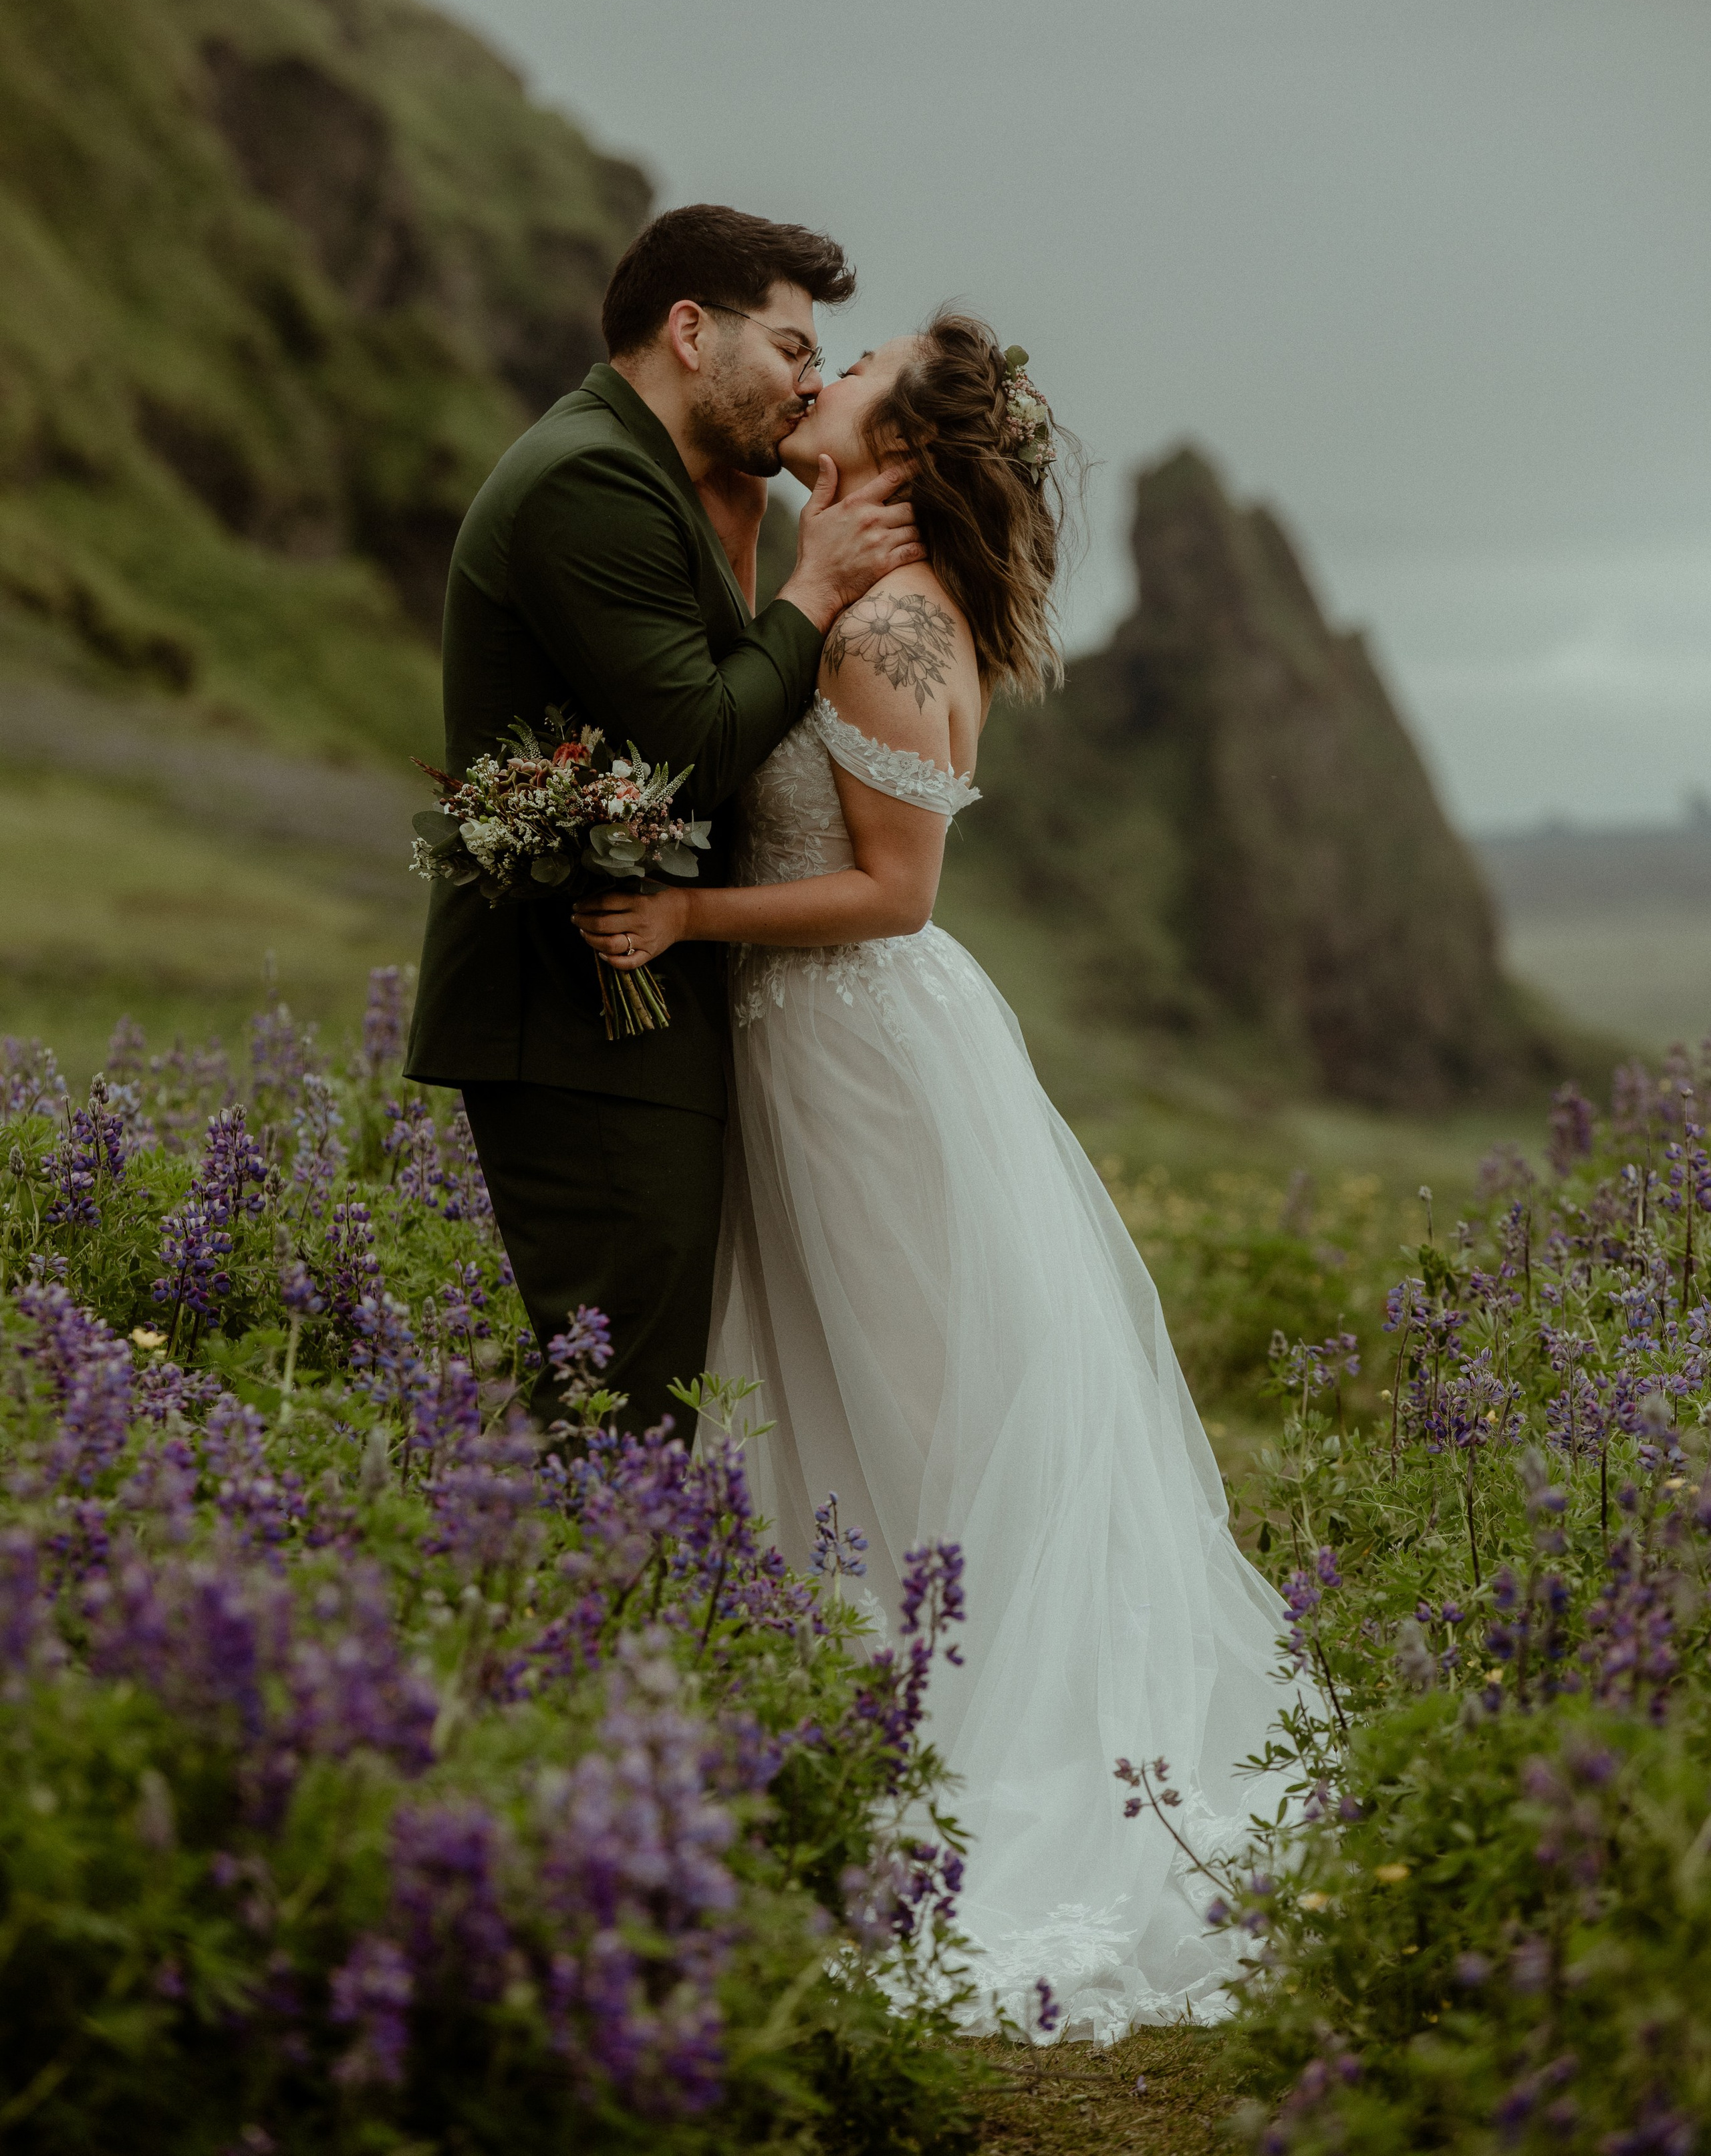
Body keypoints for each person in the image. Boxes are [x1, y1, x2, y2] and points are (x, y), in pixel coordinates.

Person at [573, 314, 1300, 2035]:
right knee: (841, 1391)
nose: (821, 377)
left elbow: (897, 890)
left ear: (896, 437)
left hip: (859, 1053)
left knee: (916, 1402)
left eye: (858, 366)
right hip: (799, 1044)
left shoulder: (893, 616)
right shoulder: (843, 580)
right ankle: (852, 1731)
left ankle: (984, 1755)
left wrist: (683, 914)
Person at [404, 205, 920, 1434]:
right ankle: (564, 1616)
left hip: (627, 1010)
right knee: (624, 1406)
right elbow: (691, 747)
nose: (807, 386)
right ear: (692, 331)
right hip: (578, 1013)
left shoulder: (667, 483)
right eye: (795, 349)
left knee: (638, 1391)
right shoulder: (590, 477)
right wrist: (817, 585)